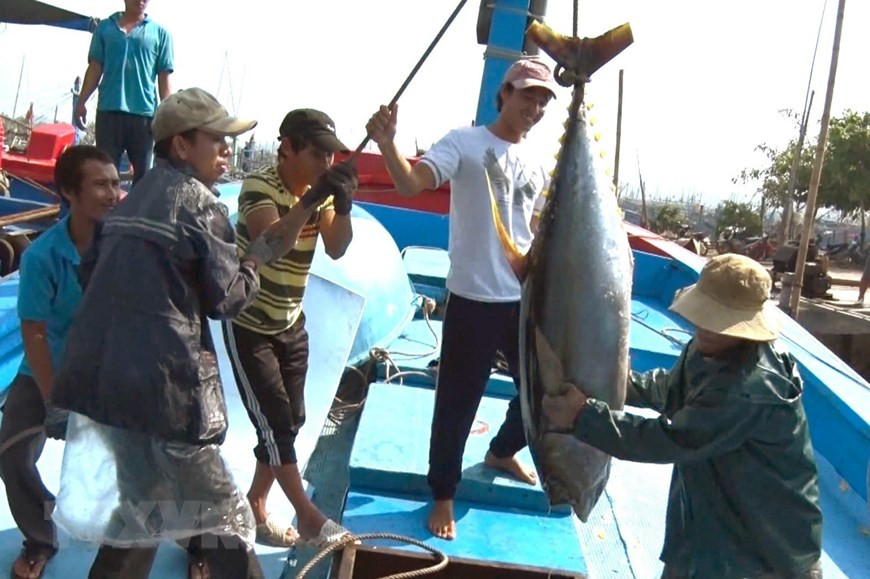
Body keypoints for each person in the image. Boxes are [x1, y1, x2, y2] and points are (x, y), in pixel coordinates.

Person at [51, 88, 351, 578]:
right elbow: (229, 298)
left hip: (107, 386)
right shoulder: (199, 203)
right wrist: (252, 262)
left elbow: (92, 278)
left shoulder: (127, 205)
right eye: (218, 140)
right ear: (181, 145)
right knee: (224, 522)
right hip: (167, 395)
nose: (227, 150)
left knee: (142, 506)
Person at [365, 57, 558, 540]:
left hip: (522, 301)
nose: (535, 107)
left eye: (543, 100)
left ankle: (501, 450)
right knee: (456, 403)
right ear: (505, 93)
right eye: (528, 95)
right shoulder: (465, 143)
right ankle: (444, 493)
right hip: (472, 299)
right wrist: (388, 144)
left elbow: (533, 226)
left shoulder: (539, 160)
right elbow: (411, 184)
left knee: (543, 396)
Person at [543, 254, 823, 579]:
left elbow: (670, 440)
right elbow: (672, 388)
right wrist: (619, 384)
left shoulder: (752, 387)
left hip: (767, 553)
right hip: (711, 530)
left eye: (718, 320)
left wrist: (584, 416)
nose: (705, 327)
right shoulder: (712, 346)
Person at [222, 109, 356, 548]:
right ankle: (308, 514)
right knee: (276, 421)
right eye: (318, 154)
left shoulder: (324, 193)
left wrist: (344, 206)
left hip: (290, 321)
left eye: (332, 156)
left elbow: (336, 248)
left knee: (291, 419)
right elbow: (269, 246)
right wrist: (308, 203)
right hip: (251, 324)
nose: (326, 164)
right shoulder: (259, 186)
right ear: (289, 146)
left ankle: (257, 504)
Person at [0, 146, 120, 579]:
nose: (114, 193)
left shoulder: (126, 247)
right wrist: (54, 399)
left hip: (110, 374)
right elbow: (33, 334)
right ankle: (39, 537)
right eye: (101, 184)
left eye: (116, 183)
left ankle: (195, 542)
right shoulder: (41, 257)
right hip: (47, 372)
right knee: (11, 454)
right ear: (70, 192)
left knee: (157, 458)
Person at [75, 0, 173, 185]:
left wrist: (170, 119)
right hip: (108, 112)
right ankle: (106, 214)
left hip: (144, 117)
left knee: (143, 180)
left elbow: (164, 81)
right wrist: (82, 102)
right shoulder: (105, 28)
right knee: (104, 175)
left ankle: (138, 215)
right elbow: (95, 68)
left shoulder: (161, 34)